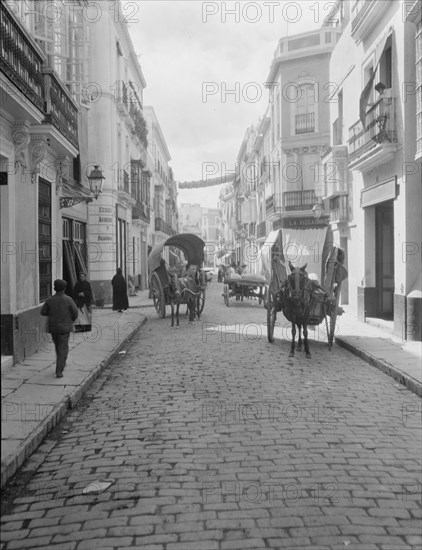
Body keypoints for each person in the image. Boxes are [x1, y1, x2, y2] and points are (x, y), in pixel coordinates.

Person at [41, 279, 78, 378]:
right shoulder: (68, 299)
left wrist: (52, 313)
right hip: (65, 328)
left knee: (58, 347)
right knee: (63, 349)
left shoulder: (50, 300)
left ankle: (60, 365)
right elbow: (75, 313)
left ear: (54, 288)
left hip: (53, 328)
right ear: (64, 288)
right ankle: (59, 370)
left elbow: (43, 312)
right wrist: (70, 320)